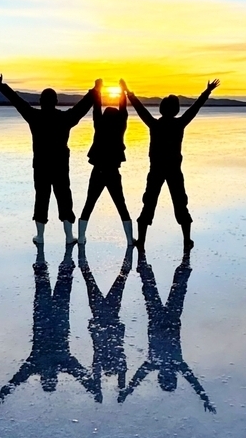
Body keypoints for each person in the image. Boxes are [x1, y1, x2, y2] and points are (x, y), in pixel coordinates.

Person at [0, 69, 97, 246]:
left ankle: (40, 236)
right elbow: (81, 108)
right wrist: (94, 92)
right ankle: (69, 237)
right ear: (55, 102)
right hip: (60, 165)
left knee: (42, 197)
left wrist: (2, 85)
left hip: (41, 166)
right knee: (64, 197)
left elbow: (17, 102)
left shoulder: (34, 116)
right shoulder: (64, 118)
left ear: (41, 102)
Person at [0, 241, 98, 407]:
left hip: (47, 317)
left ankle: (51, 249)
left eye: (47, 378)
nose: (49, 376)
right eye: (52, 378)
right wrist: (93, 390)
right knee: (54, 282)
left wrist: (1, 396)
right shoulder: (61, 362)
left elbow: (15, 382)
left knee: (51, 282)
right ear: (55, 377)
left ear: (43, 377)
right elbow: (82, 376)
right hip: (53, 317)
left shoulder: (38, 363)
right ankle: (60, 250)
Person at [125, 78, 219, 251]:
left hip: (157, 170)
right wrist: (207, 92)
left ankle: (142, 242)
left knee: (149, 203)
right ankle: (186, 241)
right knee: (180, 203)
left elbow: (140, 109)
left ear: (162, 108)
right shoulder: (178, 124)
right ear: (175, 110)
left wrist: (128, 92)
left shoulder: (155, 124)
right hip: (173, 170)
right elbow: (195, 108)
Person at [118, 248, 214, 412]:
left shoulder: (167, 364)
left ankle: (181, 259)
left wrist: (128, 391)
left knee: (171, 288)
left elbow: (192, 381)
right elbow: (193, 381)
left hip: (166, 319)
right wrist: (127, 391)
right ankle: (150, 261)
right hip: (165, 319)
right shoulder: (161, 364)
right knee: (154, 288)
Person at [77, 78, 133, 246]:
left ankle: (80, 238)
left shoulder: (99, 125)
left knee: (89, 203)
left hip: (98, 170)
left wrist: (98, 90)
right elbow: (123, 110)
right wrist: (123, 91)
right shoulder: (120, 125)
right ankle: (130, 240)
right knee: (121, 204)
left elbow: (96, 108)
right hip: (112, 171)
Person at [78, 240, 132, 400]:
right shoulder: (102, 356)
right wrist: (114, 390)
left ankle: (82, 253)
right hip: (103, 313)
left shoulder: (104, 355)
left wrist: (119, 389)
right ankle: (82, 255)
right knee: (91, 280)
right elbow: (102, 373)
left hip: (108, 312)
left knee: (120, 279)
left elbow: (118, 373)